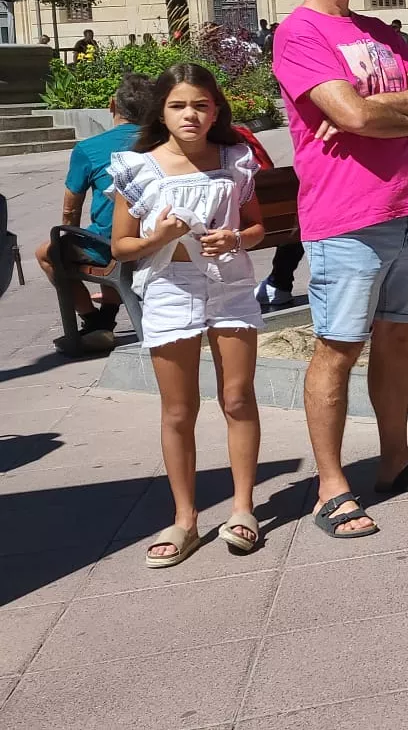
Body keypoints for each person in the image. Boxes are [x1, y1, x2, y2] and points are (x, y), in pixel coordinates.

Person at [273, 0, 408, 542]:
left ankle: (396, 460)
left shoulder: (381, 31)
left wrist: (376, 109)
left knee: (397, 342)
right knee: (337, 348)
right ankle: (331, 488)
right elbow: (350, 115)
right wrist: (383, 113)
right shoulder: (299, 34)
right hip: (346, 219)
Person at [106, 64, 266, 568]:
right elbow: (122, 246)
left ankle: (243, 508)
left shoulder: (235, 160)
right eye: (178, 106)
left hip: (230, 286)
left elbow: (259, 226)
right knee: (179, 410)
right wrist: (159, 238)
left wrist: (236, 237)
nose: (190, 115)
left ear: (216, 109)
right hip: (170, 289)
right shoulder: (138, 167)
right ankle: (185, 518)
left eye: (200, 104)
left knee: (237, 396)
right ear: (161, 112)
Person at [40, 73, 150, 349]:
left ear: (112, 105)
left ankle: (93, 321)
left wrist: (68, 237)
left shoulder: (89, 149)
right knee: (101, 236)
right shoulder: (164, 143)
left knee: (47, 253)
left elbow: (70, 210)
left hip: (114, 246)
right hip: (158, 238)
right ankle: (105, 319)